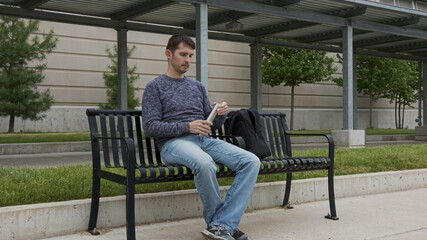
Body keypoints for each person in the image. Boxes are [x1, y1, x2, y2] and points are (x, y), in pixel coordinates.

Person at [141, 34, 260, 240]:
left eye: (191, 55)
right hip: (173, 144)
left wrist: (219, 114)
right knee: (205, 163)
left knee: (251, 161)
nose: (187, 60)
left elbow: (210, 125)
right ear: (169, 54)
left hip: (204, 140)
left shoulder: (197, 87)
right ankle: (222, 226)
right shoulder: (154, 87)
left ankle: (222, 224)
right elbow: (150, 127)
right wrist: (187, 126)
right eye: (183, 54)